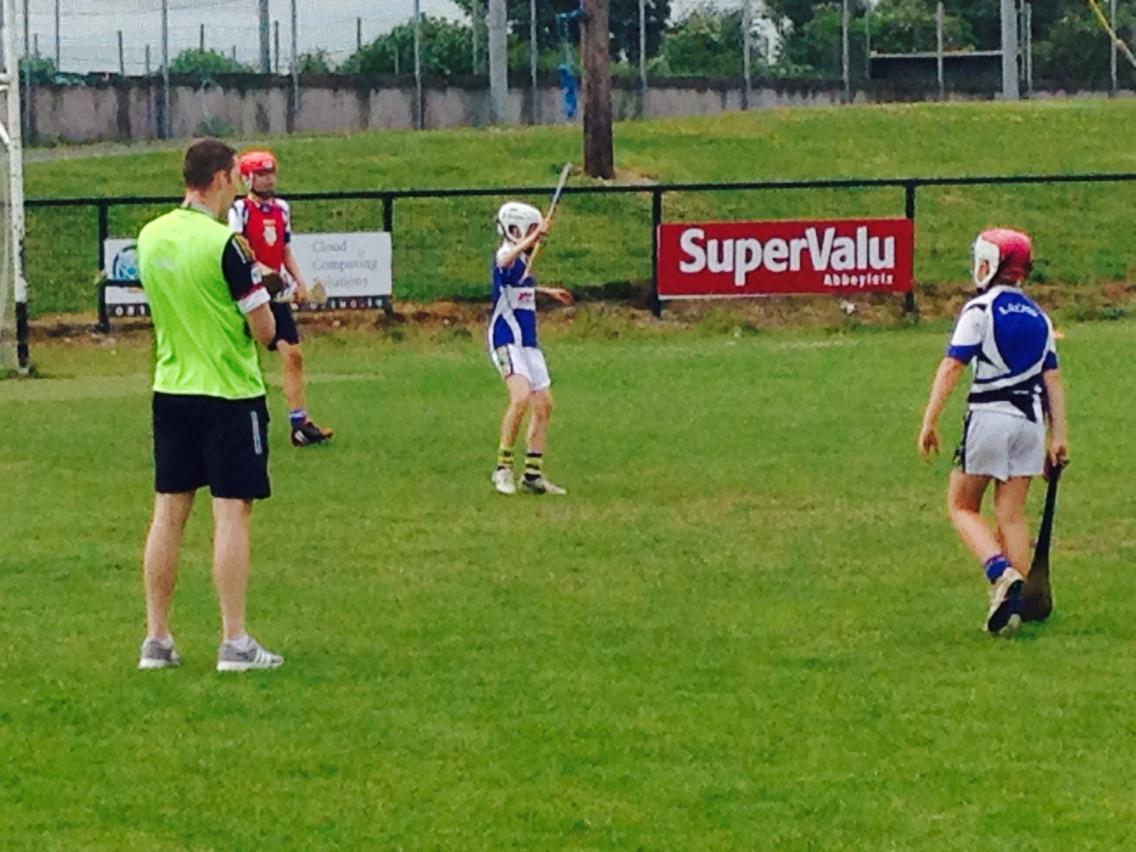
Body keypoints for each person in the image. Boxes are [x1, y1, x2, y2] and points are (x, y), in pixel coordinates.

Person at [136, 138, 284, 673]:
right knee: (231, 511)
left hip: (172, 387)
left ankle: (157, 638)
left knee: (168, 512)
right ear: (221, 178)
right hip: (227, 393)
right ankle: (235, 640)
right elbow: (263, 328)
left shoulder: (150, 236)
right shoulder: (228, 245)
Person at [918, 227, 1069, 636]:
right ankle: (1013, 609)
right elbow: (1052, 379)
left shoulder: (980, 310)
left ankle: (1002, 574)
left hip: (989, 417)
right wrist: (1058, 436)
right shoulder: (1041, 318)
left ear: (992, 264)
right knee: (1011, 514)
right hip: (1030, 423)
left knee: (962, 505)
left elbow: (953, 365)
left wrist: (930, 419)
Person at [230, 149, 333, 447]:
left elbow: (285, 251)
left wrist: (299, 283)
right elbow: (237, 246)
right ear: (248, 178)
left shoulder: (282, 210)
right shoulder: (240, 211)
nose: (268, 179)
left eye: (271, 172)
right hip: (247, 293)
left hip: (275, 295)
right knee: (240, 359)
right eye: (261, 174)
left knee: (293, 355)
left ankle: (301, 424)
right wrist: (259, 271)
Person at [487, 201, 574, 496]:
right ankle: (502, 469)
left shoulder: (523, 262)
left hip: (528, 341)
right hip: (506, 338)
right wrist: (533, 239)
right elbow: (504, 263)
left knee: (544, 405)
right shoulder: (505, 253)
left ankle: (533, 475)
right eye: (530, 228)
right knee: (521, 398)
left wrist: (546, 291)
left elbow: (519, 287)